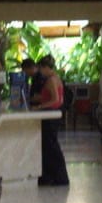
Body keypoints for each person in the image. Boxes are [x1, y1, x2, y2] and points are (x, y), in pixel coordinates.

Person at [33, 55, 69, 186]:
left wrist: (40, 107)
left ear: (46, 68)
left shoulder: (51, 80)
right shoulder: (56, 78)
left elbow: (56, 100)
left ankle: (59, 177)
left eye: (41, 69)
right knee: (49, 147)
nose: (40, 73)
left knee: (51, 147)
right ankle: (49, 176)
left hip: (49, 116)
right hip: (52, 115)